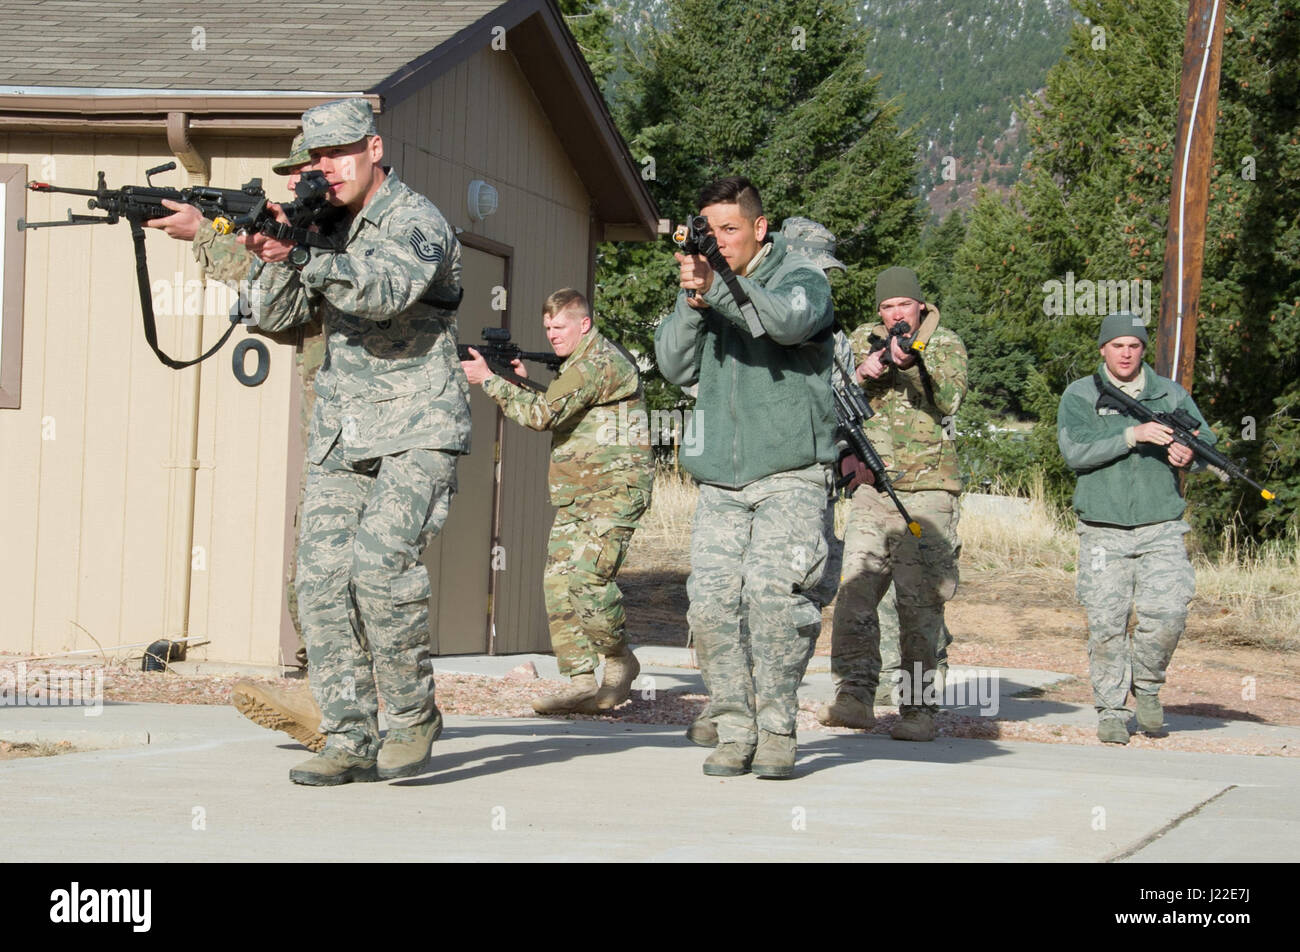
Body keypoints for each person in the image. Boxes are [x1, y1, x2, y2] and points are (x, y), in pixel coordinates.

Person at [243, 98, 469, 785]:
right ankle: (348, 735)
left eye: (338, 152)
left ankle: (410, 717)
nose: (326, 168)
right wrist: (277, 253)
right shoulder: (321, 226)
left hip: (417, 423)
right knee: (317, 583)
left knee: (378, 569)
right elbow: (275, 317)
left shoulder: (415, 221)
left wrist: (305, 250)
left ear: (373, 147)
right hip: (344, 430)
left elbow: (385, 292)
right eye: (315, 157)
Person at [146, 135, 330, 753]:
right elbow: (281, 317)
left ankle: (351, 706)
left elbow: (320, 295)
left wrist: (209, 236)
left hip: (370, 435)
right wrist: (259, 248)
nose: (299, 185)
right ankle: (331, 699)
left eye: (308, 172)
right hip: (331, 430)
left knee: (347, 575)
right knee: (313, 572)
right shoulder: (305, 238)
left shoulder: (354, 237)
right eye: (296, 175)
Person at [654, 177, 836, 779]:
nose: (720, 241)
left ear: (761, 228)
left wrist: (721, 289)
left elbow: (785, 323)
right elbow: (672, 363)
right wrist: (691, 300)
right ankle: (734, 728)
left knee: (772, 600)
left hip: (790, 474)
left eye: (731, 229)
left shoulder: (802, 276)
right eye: (712, 231)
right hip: (720, 482)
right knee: (709, 607)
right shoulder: (704, 283)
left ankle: (778, 729)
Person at [461, 290, 653, 714]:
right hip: (581, 492)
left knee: (588, 581)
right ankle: (581, 681)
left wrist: (489, 380)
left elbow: (543, 415)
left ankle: (620, 659)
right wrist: (514, 380)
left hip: (614, 492)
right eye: (547, 328)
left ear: (583, 324)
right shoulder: (581, 365)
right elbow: (562, 406)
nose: (552, 335)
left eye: (560, 326)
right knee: (559, 584)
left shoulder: (594, 363)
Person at [820, 266, 966, 741]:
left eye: (903, 305)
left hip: (927, 494)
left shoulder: (944, 344)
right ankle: (855, 696)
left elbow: (949, 401)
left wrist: (912, 364)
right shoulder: (862, 340)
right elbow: (828, 399)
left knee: (918, 604)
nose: (895, 314)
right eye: (887, 307)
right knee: (855, 595)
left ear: (919, 306)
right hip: (872, 490)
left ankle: (918, 709)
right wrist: (863, 372)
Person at [1057, 312, 1208, 744]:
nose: (1126, 353)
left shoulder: (1169, 393)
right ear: (1103, 349)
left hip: (1161, 525)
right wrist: (1132, 434)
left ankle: (1148, 687)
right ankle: (1110, 709)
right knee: (1106, 622)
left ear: (1144, 350)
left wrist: (1188, 457)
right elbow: (1075, 452)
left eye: (1134, 346)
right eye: (1117, 345)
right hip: (1103, 528)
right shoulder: (1081, 394)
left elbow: (1204, 441)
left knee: (1169, 614)